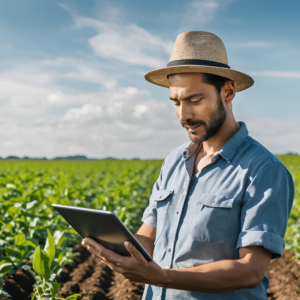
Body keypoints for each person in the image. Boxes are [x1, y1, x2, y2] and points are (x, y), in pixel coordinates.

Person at [81, 31, 295, 300]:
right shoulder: (174, 161)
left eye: (195, 100)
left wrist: (162, 277)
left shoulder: (264, 170)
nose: (184, 115)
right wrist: (120, 249)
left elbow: (249, 271)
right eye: (176, 102)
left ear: (228, 92)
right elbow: (149, 234)